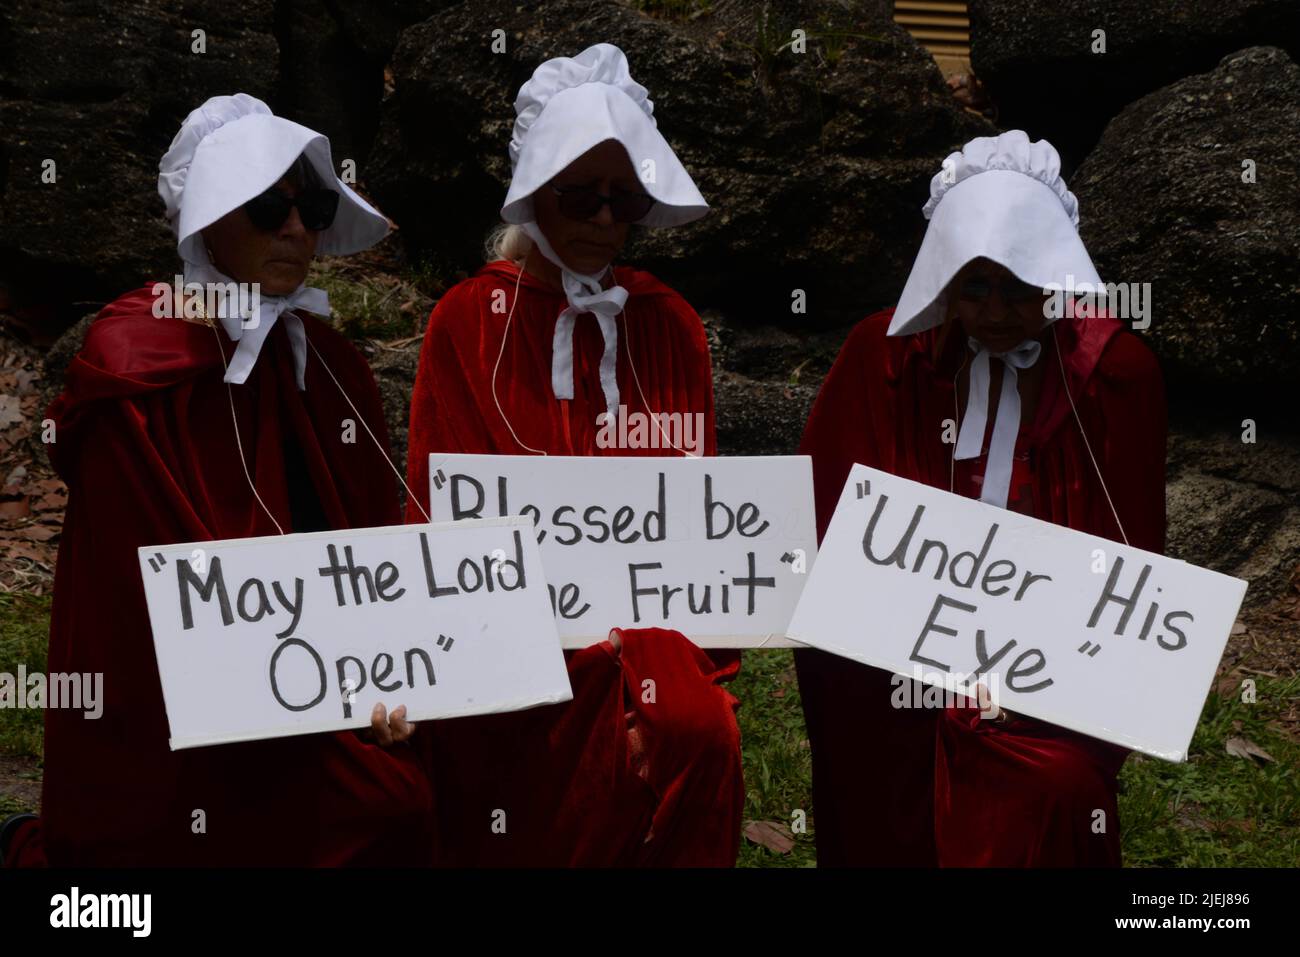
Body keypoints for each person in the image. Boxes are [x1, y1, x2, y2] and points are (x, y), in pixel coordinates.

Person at [17, 94, 432, 866]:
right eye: (267, 207)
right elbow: (146, 610)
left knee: (410, 795)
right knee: (371, 805)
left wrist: (387, 672)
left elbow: (376, 549)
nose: (298, 230)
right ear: (207, 220)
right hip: (191, 710)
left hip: (321, 682)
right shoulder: (139, 366)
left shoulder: (331, 369)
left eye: (311, 205)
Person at [404, 44, 743, 866]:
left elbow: (691, 509)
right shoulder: (468, 318)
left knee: (695, 726)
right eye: (578, 195)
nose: (600, 219)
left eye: (622, 199)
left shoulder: (670, 324)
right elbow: (436, 498)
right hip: (513, 623)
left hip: (649, 616)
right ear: (534, 196)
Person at [796, 131, 1167, 866]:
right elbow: (827, 519)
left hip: (1043, 664)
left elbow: (1133, 556)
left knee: (1055, 780)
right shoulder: (883, 355)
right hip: (899, 655)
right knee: (870, 721)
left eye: (1021, 286)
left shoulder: (1115, 373)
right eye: (974, 286)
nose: (996, 311)